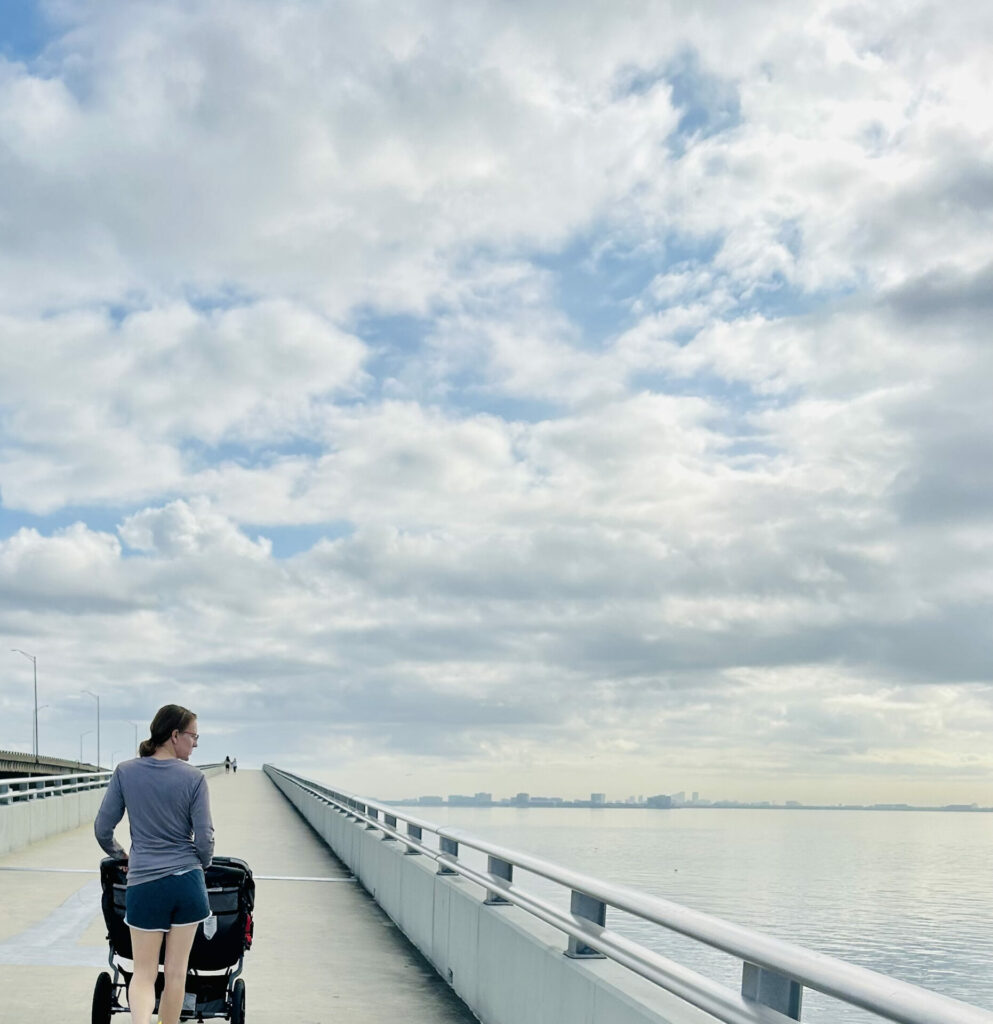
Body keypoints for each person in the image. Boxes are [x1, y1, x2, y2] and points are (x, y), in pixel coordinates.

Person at [94, 705, 215, 1024]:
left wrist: (123, 856)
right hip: (187, 882)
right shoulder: (195, 778)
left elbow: (102, 829)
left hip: (145, 882)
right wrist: (200, 865)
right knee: (177, 974)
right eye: (193, 735)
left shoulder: (125, 771)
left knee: (144, 973)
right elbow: (204, 839)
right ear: (174, 735)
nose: (196, 743)